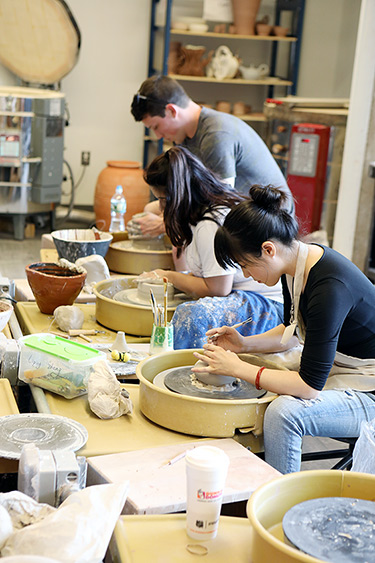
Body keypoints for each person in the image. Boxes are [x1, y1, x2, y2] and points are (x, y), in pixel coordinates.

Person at [192, 185, 375, 474]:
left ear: (268, 249)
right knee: (265, 370)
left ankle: (277, 507)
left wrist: (239, 368)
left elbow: (308, 387)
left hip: (370, 389)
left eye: (245, 265)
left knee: (283, 413)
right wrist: (243, 345)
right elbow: (294, 332)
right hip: (344, 368)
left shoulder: (329, 287)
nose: (246, 275)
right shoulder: (297, 265)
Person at [140, 147, 284, 349]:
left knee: (192, 315)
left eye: (163, 200)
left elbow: (218, 289)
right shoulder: (199, 211)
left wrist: (168, 276)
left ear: (179, 195)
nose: (161, 208)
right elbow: (192, 271)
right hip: (245, 296)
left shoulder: (210, 222)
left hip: (271, 308)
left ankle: (177, 370)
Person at [130, 75, 294, 237]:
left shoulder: (216, 135)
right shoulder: (182, 137)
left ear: (172, 110)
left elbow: (220, 207)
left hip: (270, 223)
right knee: (151, 209)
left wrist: (164, 224)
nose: (158, 135)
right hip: (235, 210)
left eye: (156, 126)